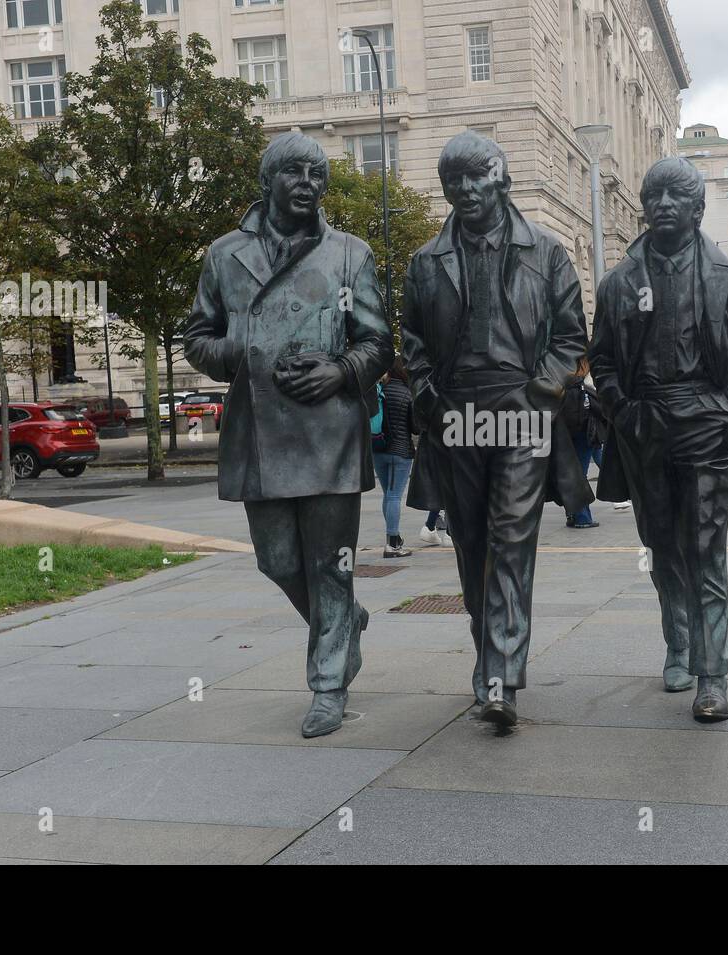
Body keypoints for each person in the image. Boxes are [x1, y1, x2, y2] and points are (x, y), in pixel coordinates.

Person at [182, 132, 394, 739]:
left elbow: (378, 341)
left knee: (331, 563)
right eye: (295, 173)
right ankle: (345, 621)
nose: (309, 184)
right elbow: (198, 337)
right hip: (259, 429)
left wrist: (340, 370)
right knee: (276, 561)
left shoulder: (348, 254)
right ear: (267, 181)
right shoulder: (225, 255)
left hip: (329, 429)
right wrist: (242, 350)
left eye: (318, 175)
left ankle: (328, 684)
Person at [401, 130, 591, 728]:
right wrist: (429, 394)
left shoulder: (548, 252)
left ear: (501, 177)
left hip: (522, 408)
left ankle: (501, 676)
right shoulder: (424, 262)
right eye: (451, 181)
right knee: (473, 543)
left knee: (511, 536)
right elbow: (409, 342)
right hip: (457, 410)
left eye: (474, 176)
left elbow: (570, 337)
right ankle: (491, 658)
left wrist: (544, 388)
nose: (463, 190)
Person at [591, 156, 728, 720]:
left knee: (706, 550)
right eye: (654, 195)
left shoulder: (726, 279)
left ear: (697, 210)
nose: (663, 204)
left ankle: (711, 673)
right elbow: (601, 361)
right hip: (647, 425)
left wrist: (725, 410)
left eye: (677, 196)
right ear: (644, 208)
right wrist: (624, 410)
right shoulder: (619, 283)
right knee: (662, 545)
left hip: (707, 423)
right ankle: (679, 640)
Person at [374, 358, 414, 558]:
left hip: (378, 449)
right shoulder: (408, 393)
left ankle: (395, 538)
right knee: (394, 495)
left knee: (388, 495)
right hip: (400, 452)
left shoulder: (380, 392)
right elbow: (415, 426)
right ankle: (392, 544)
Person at [562, 374, 604, 528]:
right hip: (584, 436)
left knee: (571, 475)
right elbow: (600, 409)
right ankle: (583, 518)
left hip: (566, 438)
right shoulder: (582, 390)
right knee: (580, 476)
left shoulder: (560, 390)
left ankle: (572, 514)